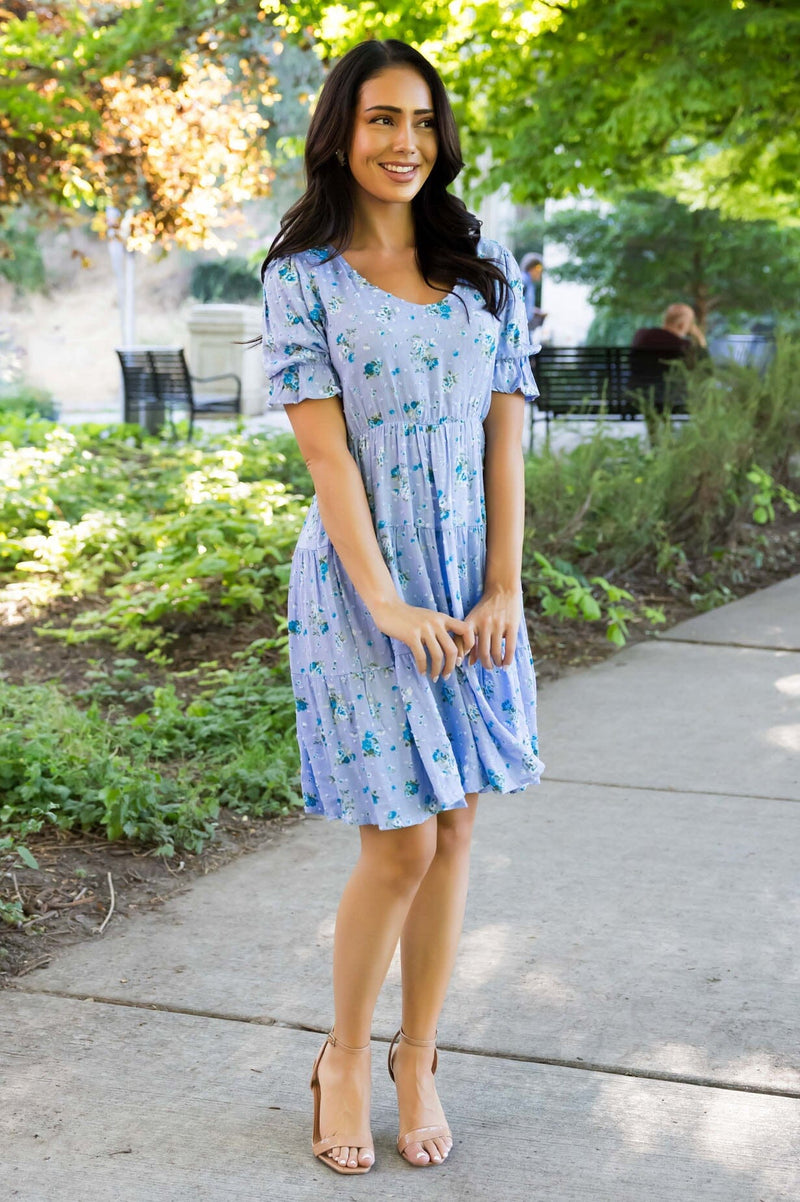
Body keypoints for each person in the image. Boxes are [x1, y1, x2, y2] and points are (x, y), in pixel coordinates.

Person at [260, 38, 544, 1176]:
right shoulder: (304, 276)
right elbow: (326, 460)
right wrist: (382, 601)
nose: (404, 143)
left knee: (458, 824)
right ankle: (341, 1056)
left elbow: (506, 437)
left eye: (423, 122)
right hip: (358, 582)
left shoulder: (485, 270)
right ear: (340, 131)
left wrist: (502, 582)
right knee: (401, 839)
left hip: (469, 577)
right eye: (383, 119)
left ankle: (415, 1057)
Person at [520, 250, 546, 334]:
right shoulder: (523, 281)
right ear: (531, 267)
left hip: (525, 327)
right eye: (539, 268)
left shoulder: (529, 283)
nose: (541, 273)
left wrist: (533, 310)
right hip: (521, 328)